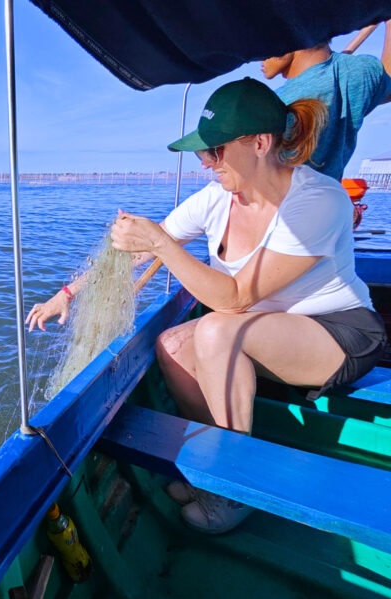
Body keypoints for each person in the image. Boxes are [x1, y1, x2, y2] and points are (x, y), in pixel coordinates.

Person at [26, 77, 387, 534]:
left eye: (214, 151)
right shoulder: (219, 197)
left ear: (259, 143)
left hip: (338, 332)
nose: (204, 163)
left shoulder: (319, 200)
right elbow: (139, 252)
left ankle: (234, 486)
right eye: (201, 153)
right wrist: (68, 294)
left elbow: (235, 298)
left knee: (218, 329)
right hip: (263, 327)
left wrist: (161, 242)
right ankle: (215, 466)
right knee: (173, 343)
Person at [261, 20, 391, 180]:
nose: (258, 54)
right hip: (330, 201)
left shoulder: (275, 106)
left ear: (290, 36)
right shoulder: (358, 72)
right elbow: (388, 82)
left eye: (263, 40)